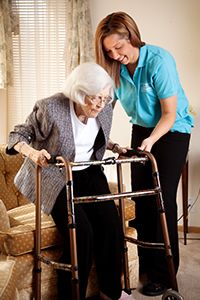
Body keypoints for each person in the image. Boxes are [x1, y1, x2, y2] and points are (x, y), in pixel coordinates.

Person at [6, 62, 133, 300]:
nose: (100, 104)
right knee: (81, 234)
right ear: (79, 92)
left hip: (89, 173)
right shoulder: (50, 107)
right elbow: (17, 135)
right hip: (56, 176)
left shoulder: (104, 108)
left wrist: (115, 146)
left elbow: (97, 137)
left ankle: (110, 294)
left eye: (105, 98)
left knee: (111, 227)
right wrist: (34, 153)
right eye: (95, 98)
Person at [95, 12, 194, 297]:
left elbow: (169, 113)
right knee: (141, 198)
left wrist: (151, 140)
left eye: (119, 48)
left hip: (172, 130)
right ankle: (147, 265)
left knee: (160, 198)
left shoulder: (158, 61)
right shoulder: (115, 68)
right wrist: (101, 139)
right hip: (141, 128)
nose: (115, 55)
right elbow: (105, 108)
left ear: (132, 37)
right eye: (109, 51)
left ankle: (165, 274)